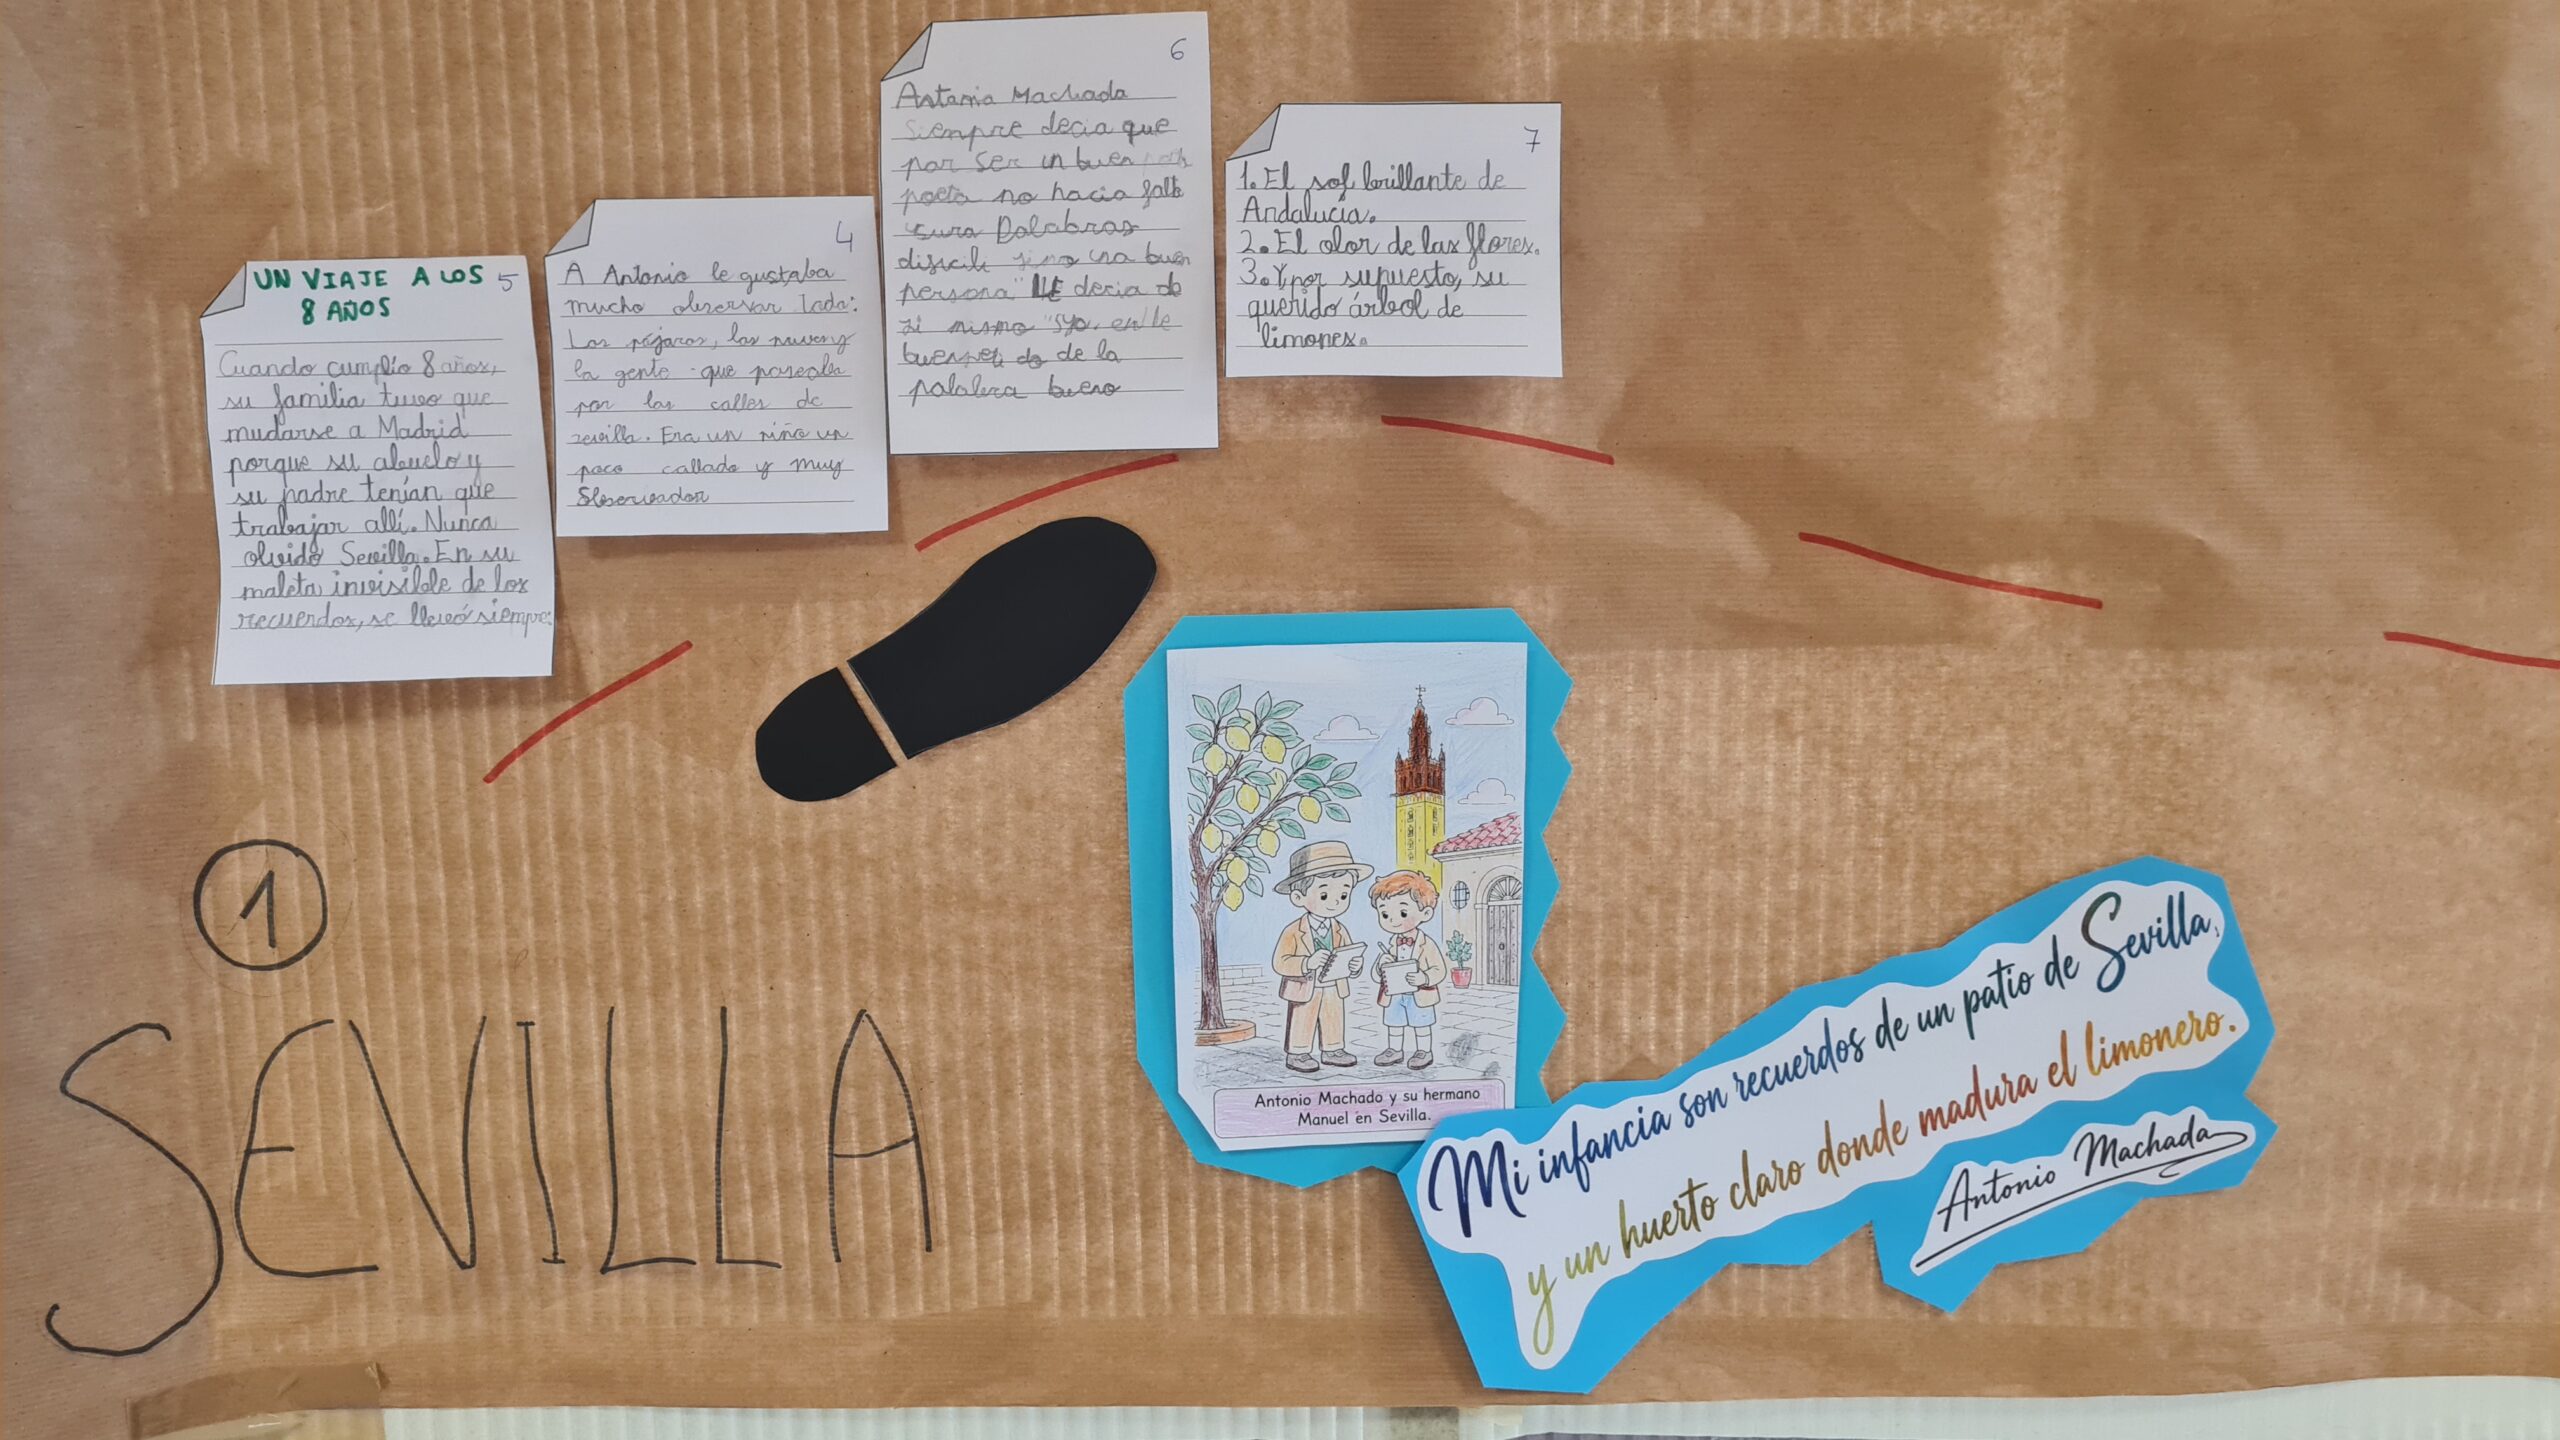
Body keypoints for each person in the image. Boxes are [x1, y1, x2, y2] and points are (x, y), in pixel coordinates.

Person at [1270, 840, 1371, 1074]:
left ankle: (1333, 1049)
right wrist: (1306, 963)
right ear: (1298, 897)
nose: (1335, 902)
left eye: (1344, 894)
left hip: (1334, 985)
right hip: (1304, 986)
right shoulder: (1293, 931)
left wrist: (1354, 965)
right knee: (1303, 1018)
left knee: (1332, 1016)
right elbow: (1280, 962)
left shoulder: (1339, 929)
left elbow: (1348, 952)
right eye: (1324, 895)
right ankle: (1298, 1052)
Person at [1368, 870, 1449, 1070]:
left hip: (1419, 994)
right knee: (1394, 1023)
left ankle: (1424, 1051)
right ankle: (1394, 1050)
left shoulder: (1426, 944)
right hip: (1394, 994)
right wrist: (1381, 964)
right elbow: (1375, 975)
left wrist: (1424, 977)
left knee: (1421, 1024)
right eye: (1385, 914)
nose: (1393, 920)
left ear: (1426, 913)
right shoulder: (1391, 944)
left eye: (1403, 913)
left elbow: (1439, 970)